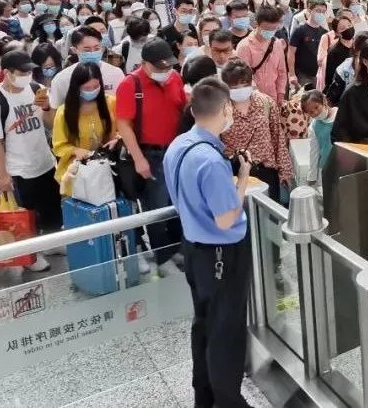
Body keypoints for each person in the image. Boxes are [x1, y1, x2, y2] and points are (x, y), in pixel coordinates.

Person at [163, 77, 253, 408]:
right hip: (222, 253)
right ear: (225, 109)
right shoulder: (211, 161)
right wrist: (242, 179)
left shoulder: (178, 145)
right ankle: (229, 401)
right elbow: (226, 219)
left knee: (203, 323)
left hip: (194, 247)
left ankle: (205, 396)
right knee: (226, 330)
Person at [0, 51, 58, 272]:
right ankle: (31, 255)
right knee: (26, 214)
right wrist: (2, 175)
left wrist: (46, 107)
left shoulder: (35, 89)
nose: (27, 76)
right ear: (7, 72)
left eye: (29, 71)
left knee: (51, 209)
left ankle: (52, 243)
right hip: (18, 167)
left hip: (44, 161)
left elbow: (50, 124)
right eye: (22, 72)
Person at [115, 38, 187, 271]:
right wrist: (138, 159)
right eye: (159, 67)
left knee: (178, 202)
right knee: (157, 207)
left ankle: (179, 248)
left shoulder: (175, 78)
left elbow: (182, 109)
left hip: (176, 151)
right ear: (144, 63)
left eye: (168, 66)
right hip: (151, 153)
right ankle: (163, 255)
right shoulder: (130, 84)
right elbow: (124, 124)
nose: (165, 71)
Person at [218, 58, 292, 201]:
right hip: (234, 173)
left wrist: (285, 171)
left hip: (266, 170)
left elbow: (278, 138)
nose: (240, 89)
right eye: (235, 86)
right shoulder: (221, 108)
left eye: (244, 84)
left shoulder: (265, 102)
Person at [52, 62, 115, 197]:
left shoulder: (110, 103)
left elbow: (122, 130)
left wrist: (117, 139)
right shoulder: (64, 112)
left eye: (96, 86)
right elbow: (58, 146)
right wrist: (75, 150)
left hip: (106, 169)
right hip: (76, 174)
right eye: (87, 88)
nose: (92, 91)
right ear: (77, 87)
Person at [235, 5, 288, 105]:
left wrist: (281, 94)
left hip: (273, 98)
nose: (270, 32)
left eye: (273, 29)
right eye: (267, 29)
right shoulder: (244, 46)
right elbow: (243, 77)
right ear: (256, 24)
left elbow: (282, 72)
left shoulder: (277, 44)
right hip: (252, 101)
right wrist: (259, 98)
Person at [288, 0, 328, 88]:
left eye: (323, 11)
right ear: (310, 10)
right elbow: (291, 52)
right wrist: (292, 74)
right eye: (318, 11)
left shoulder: (324, 32)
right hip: (302, 74)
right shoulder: (300, 29)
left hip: (318, 74)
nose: (321, 14)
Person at [300, 89, 336, 186]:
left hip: (345, 165)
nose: (315, 112)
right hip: (325, 167)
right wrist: (312, 176)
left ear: (323, 100)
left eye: (316, 107)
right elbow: (314, 151)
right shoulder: (314, 126)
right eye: (311, 112)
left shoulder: (341, 115)